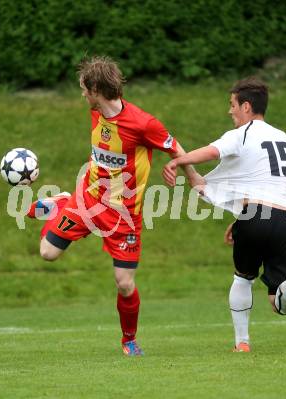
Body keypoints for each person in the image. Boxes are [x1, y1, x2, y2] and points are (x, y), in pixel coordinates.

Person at [27, 56, 198, 356]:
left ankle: (128, 340)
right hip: (87, 201)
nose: (82, 94)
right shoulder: (97, 114)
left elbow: (174, 147)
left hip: (124, 218)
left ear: (95, 89)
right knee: (47, 253)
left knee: (124, 283)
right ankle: (63, 202)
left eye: (84, 89)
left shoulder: (143, 123)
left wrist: (192, 176)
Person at [163, 77, 286, 352]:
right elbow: (266, 183)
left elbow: (211, 152)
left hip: (256, 214)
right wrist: (240, 218)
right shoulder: (282, 137)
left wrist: (178, 160)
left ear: (246, 106)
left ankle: (241, 343)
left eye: (232, 104)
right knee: (278, 303)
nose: (229, 111)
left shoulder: (244, 133)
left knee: (243, 277)